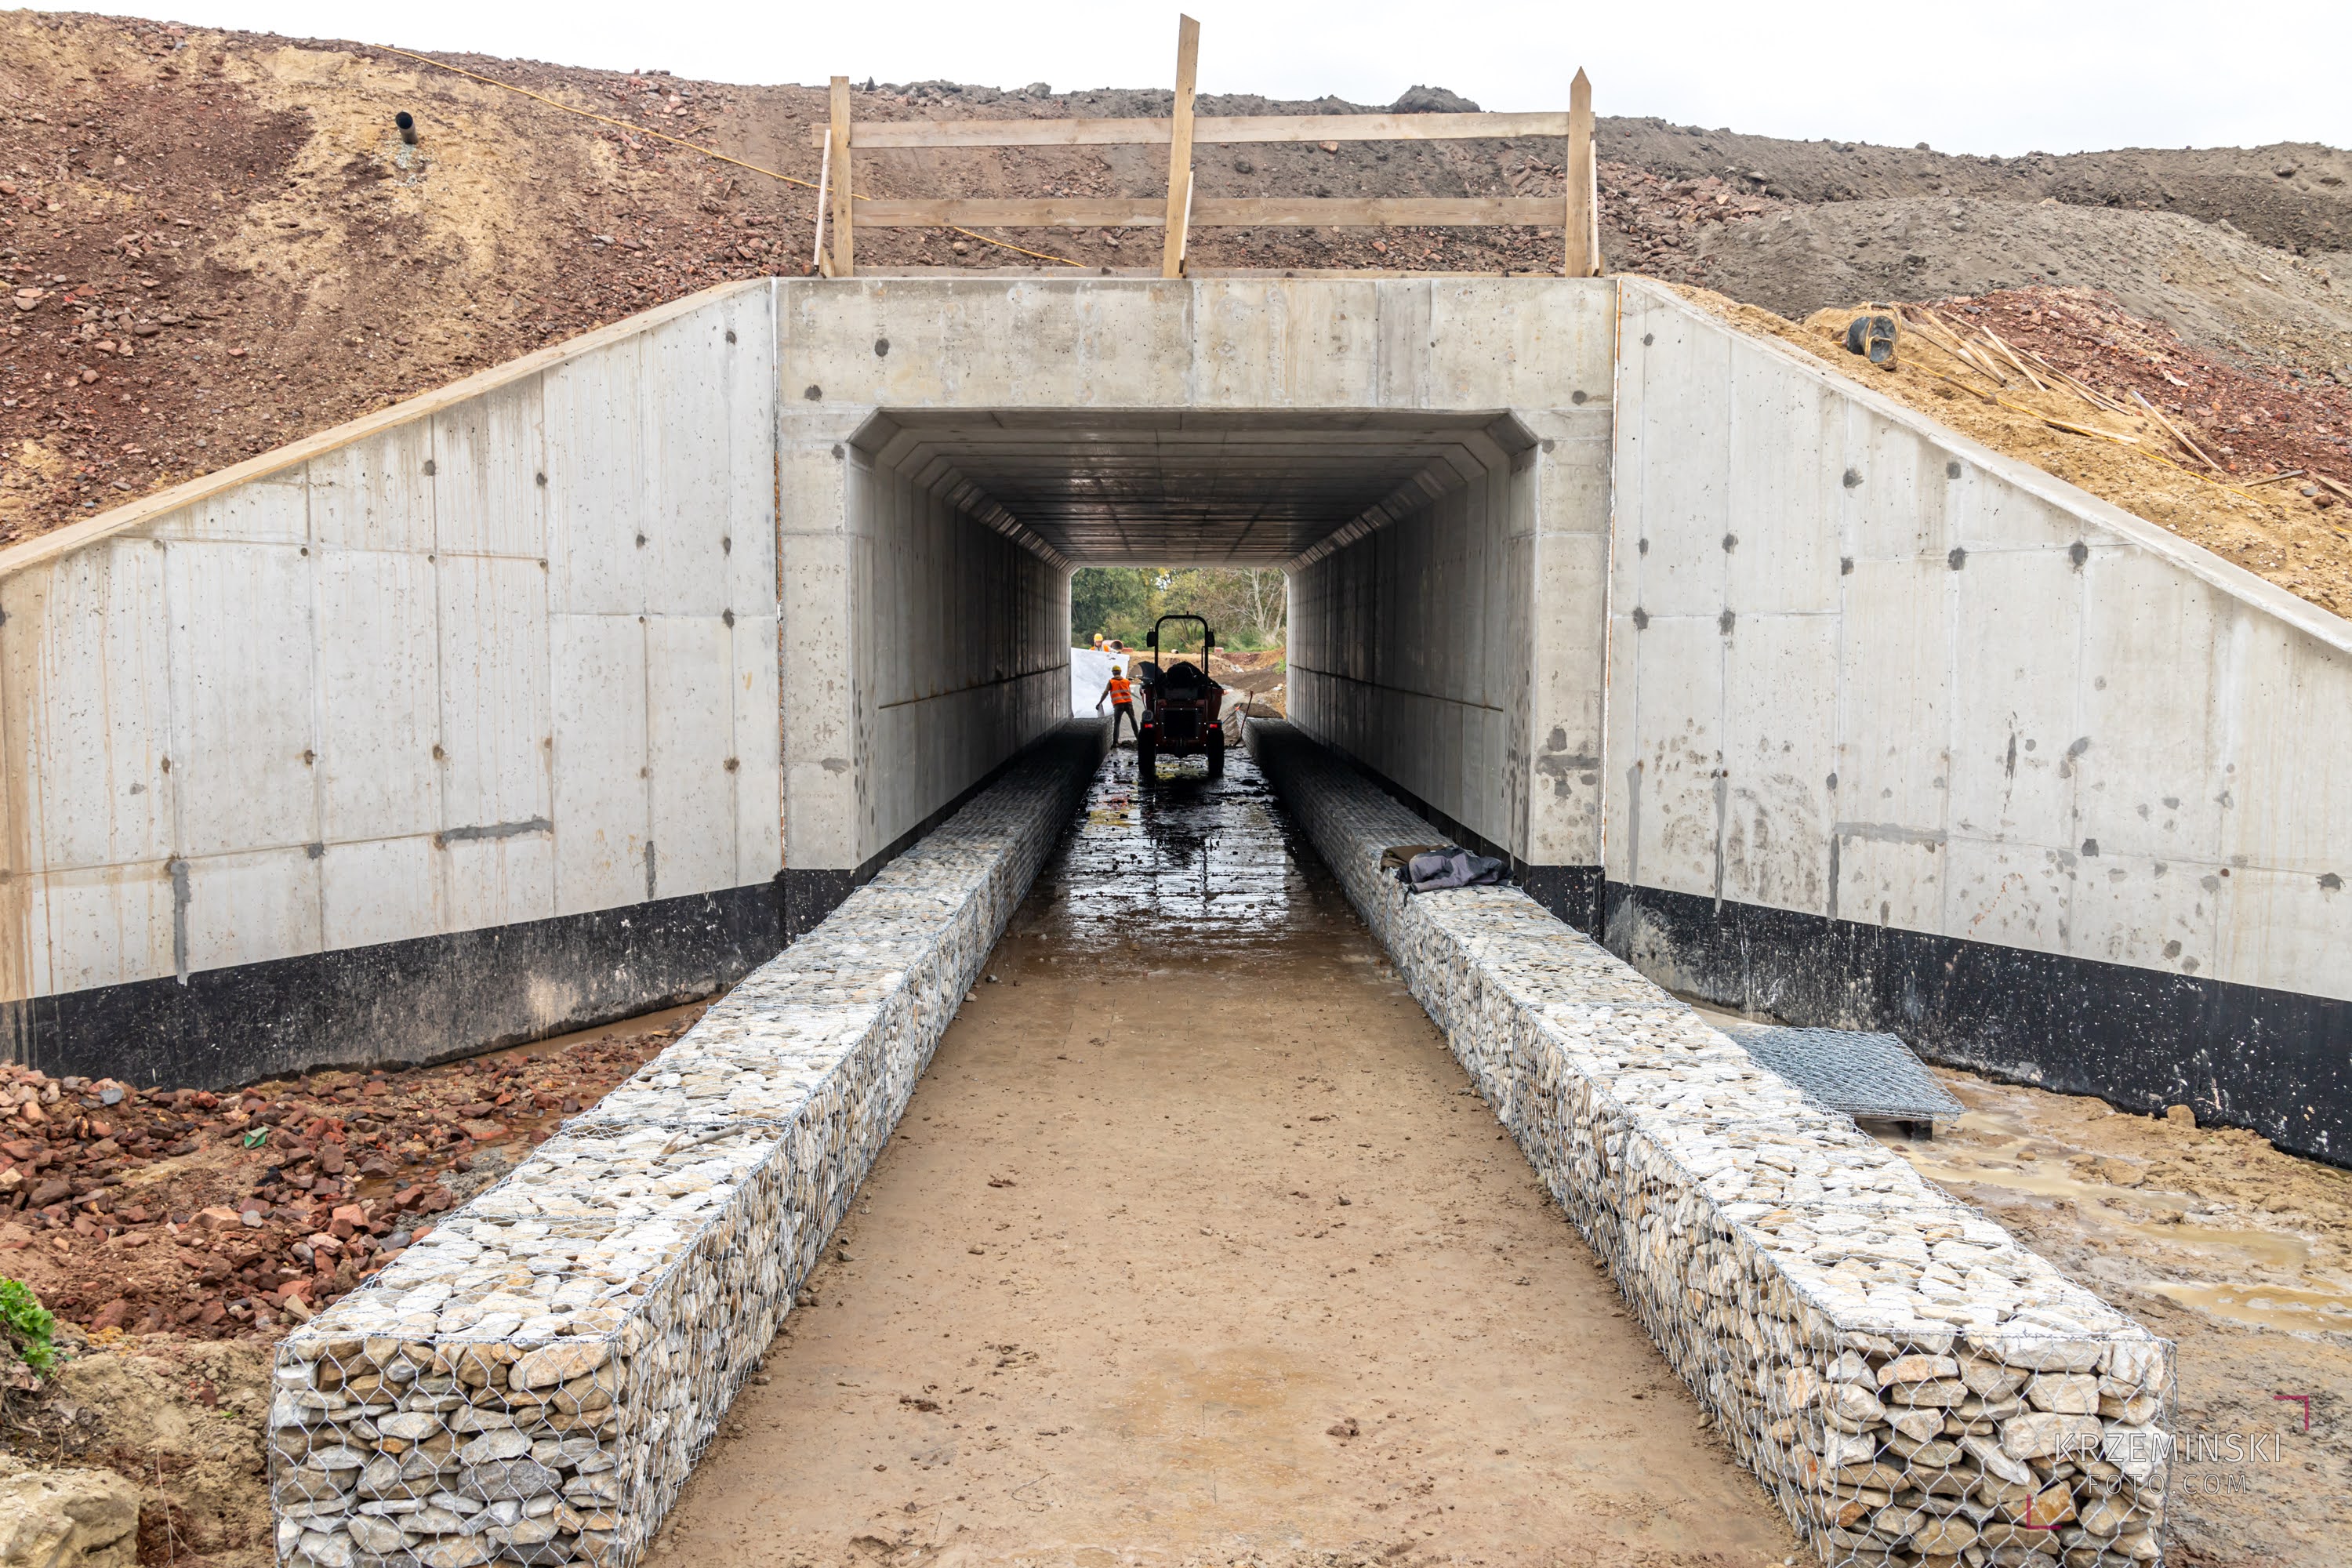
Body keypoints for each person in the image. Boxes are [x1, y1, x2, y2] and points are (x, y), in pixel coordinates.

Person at [1095, 657, 1139, 746]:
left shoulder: (1111, 682)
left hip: (1118, 704)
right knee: (1133, 720)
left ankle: (1115, 742)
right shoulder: (1126, 681)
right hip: (1128, 703)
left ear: (1113, 673)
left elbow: (1106, 692)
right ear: (1120, 672)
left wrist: (1100, 702)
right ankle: (1138, 738)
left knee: (1117, 723)